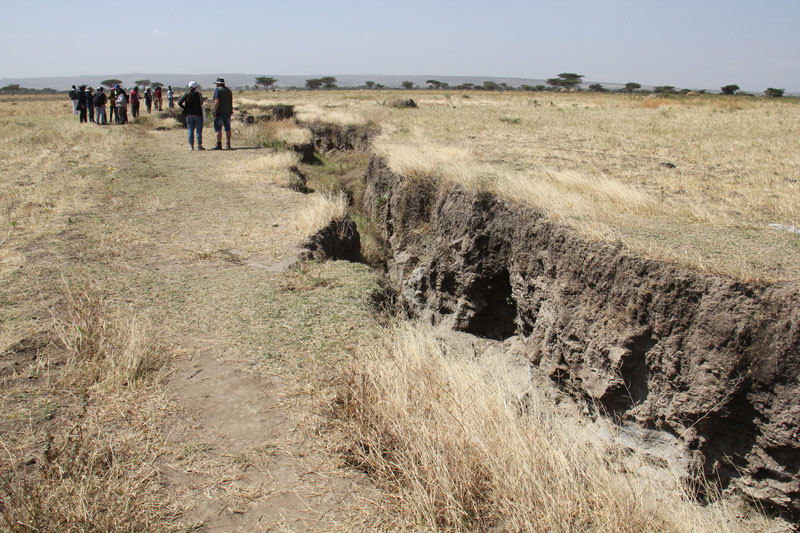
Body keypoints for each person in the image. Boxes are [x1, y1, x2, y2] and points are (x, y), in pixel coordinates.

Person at [178, 81, 205, 150]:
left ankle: (191, 146)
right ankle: (199, 146)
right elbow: (202, 103)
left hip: (189, 115)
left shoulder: (187, 95)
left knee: (190, 130)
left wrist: (185, 109)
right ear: (196, 87)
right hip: (198, 115)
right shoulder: (198, 94)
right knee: (198, 131)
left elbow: (179, 103)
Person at [212, 77, 233, 150]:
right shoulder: (229, 90)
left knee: (218, 129)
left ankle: (219, 144)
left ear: (218, 84)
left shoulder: (218, 90)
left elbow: (216, 100)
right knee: (228, 128)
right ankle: (228, 144)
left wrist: (214, 110)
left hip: (220, 112)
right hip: (228, 112)